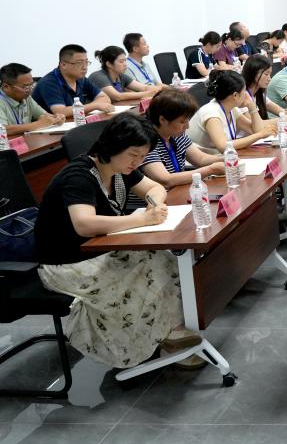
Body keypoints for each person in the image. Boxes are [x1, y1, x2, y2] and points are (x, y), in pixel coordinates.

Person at [34, 113, 195, 369]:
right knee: (142, 277)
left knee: (162, 259)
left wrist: (153, 204)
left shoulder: (120, 169)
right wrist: (140, 220)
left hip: (98, 251)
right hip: (66, 264)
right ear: (112, 146)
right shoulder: (79, 176)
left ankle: (166, 334)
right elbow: (84, 224)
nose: (138, 162)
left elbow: (155, 188)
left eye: (143, 156)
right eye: (133, 155)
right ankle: (132, 350)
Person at [141, 90, 225, 187]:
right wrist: (211, 170)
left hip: (178, 189)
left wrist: (226, 158)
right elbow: (166, 180)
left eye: (187, 120)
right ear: (162, 120)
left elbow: (200, 159)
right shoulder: (145, 141)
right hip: (157, 195)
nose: (187, 126)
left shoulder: (176, 134)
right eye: (182, 122)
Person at [187, 70, 276, 154]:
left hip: (223, 156)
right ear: (235, 95)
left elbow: (255, 130)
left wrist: (252, 107)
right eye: (244, 91)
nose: (246, 95)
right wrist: (260, 135)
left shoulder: (231, 109)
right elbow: (223, 146)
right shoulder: (212, 113)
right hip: (205, 161)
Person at [33, 44, 113, 117]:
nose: (85, 67)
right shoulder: (49, 83)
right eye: (79, 62)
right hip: (51, 126)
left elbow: (105, 98)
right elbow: (61, 112)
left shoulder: (81, 79)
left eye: (86, 62)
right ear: (63, 64)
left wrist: (94, 105)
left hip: (77, 121)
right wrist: (95, 105)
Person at [0, 62, 64, 135]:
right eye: (25, 87)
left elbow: (45, 116)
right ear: (6, 87)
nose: (30, 90)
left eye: (31, 85)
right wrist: (38, 124)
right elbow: (3, 129)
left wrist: (56, 118)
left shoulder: (26, 98)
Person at [89, 46, 160, 102]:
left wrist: (157, 90)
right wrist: (147, 93)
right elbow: (117, 97)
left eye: (125, 60)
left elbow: (144, 87)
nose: (125, 64)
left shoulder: (121, 76)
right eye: (121, 61)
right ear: (109, 64)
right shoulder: (98, 76)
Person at [241, 55, 287, 122]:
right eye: (266, 74)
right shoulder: (242, 96)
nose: (269, 79)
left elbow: (280, 111)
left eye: (270, 74)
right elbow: (255, 125)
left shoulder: (259, 93)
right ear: (253, 73)